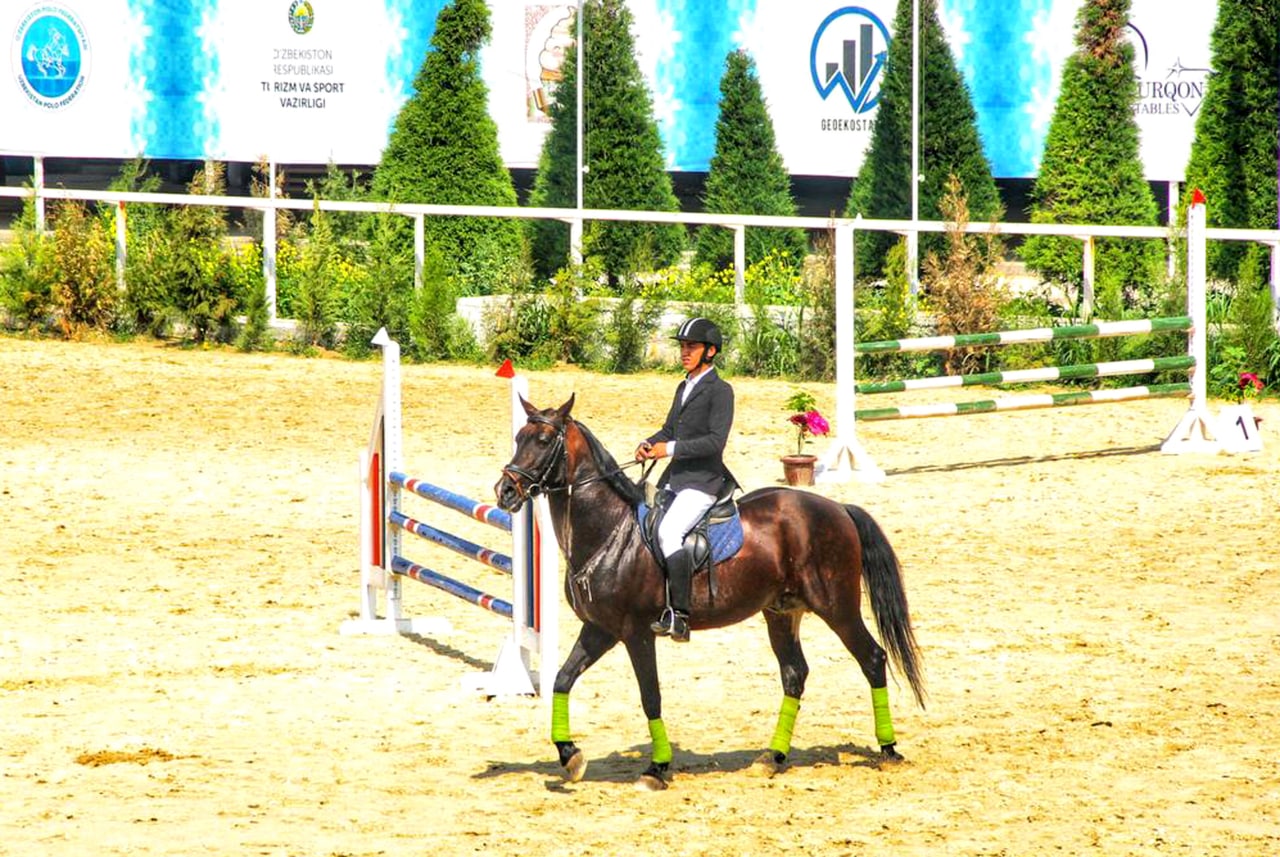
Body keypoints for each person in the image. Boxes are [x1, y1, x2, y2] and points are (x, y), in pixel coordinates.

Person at [634, 317, 735, 643]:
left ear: (710, 351)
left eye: (691, 347)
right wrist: (649, 444)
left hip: (703, 482)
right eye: (682, 347)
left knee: (669, 532)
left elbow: (715, 442)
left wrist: (669, 449)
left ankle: (680, 615)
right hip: (675, 479)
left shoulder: (721, 391)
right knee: (641, 523)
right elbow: (669, 430)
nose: (684, 352)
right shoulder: (684, 386)